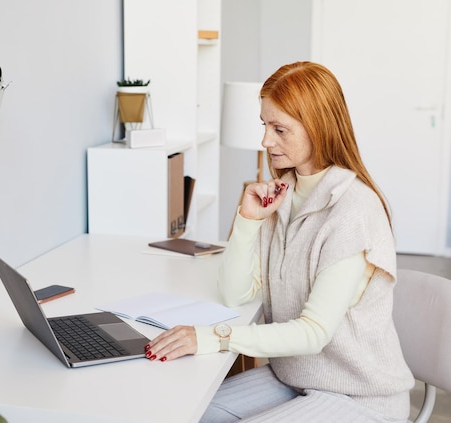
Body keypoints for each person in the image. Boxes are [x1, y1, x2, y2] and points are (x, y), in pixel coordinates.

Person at [144, 61, 414, 422]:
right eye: (264, 125)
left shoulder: (354, 211)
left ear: (318, 128)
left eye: (279, 129)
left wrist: (210, 337)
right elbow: (235, 294)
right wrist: (247, 222)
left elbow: (313, 333)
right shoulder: (282, 196)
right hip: (295, 376)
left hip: (358, 395)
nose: (266, 141)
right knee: (186, 412)